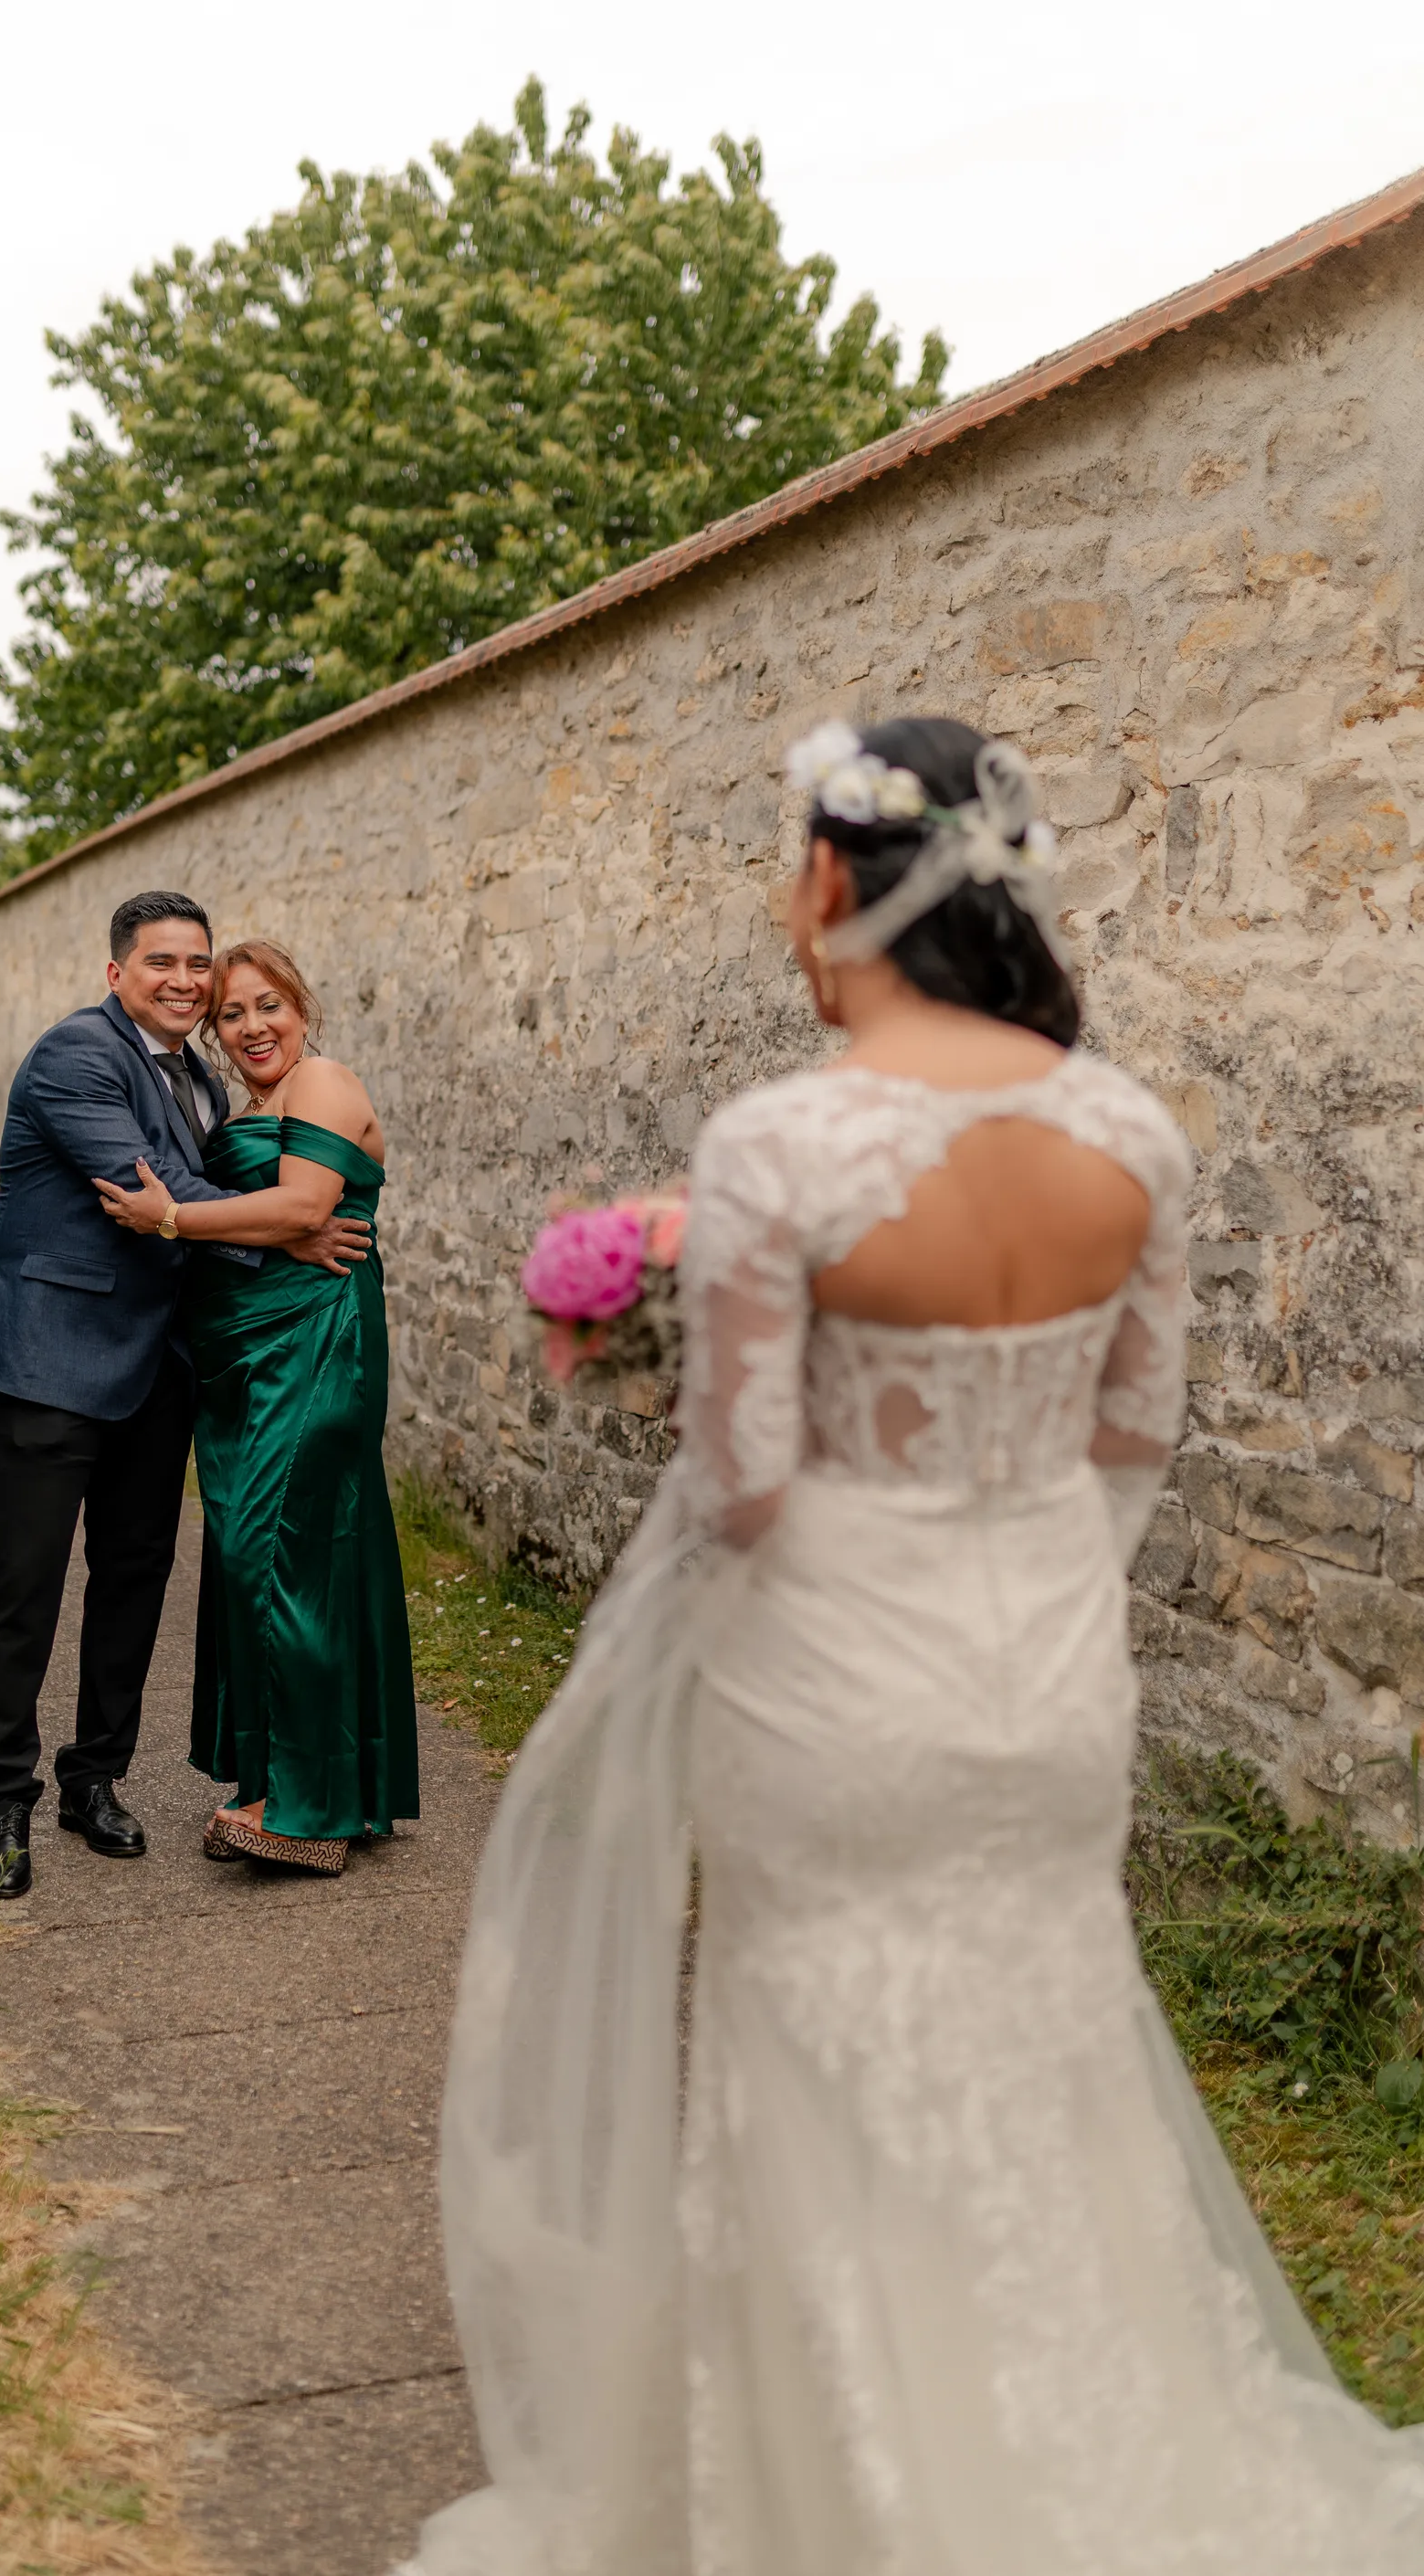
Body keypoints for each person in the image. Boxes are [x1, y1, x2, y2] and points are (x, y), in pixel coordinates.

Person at [396, 720, 1424, 2574]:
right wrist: (1021, 1582)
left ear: (828, 879)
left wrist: (653, 1360)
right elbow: (1131, 1438)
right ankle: (1091, 2474)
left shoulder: (784, 1140)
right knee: (1045, 2062)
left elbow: (747, 1489)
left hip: (831, 1691)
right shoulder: (1124, 1129)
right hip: (1044, 1686)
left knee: (822, 2079)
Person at [0, 894, 369, 1901]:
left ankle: (95, 1780)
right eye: (160, 961)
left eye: (196, 964)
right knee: (22, 1585)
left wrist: (278, 1228)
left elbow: (190, 1202)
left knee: (133, 1579)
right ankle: (2, 1801)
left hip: (156, 1371)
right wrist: (290, 1223)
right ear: (116, 972)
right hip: (48, 1361)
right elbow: (153, 1185)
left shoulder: (202, 1079)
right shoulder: (74, 1056)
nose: (183, 980)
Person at [93, 936, 417, 1877]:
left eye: (266, 1004)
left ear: (301, 1007)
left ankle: (307, 1810)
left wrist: (172, 1219)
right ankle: (315, 1782)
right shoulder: (246, 1108)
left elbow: (301, 1208)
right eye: (231, 1014)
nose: (250, 1026)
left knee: (274, 1557)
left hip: (313, 1348)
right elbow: (275, 1219)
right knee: (286, 1560)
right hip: (238, 1367)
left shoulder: (322, 1082)